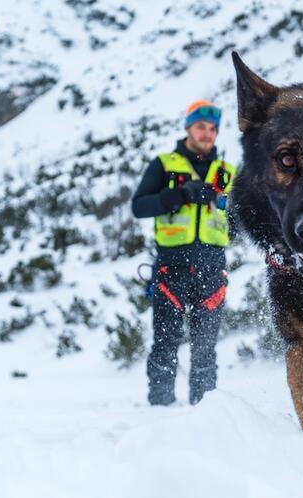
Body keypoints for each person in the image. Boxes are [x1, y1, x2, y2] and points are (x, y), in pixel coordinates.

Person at [131, 100, 237, 406]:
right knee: (165, 345)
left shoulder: (228, 173)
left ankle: (204, 414)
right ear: (188, 127)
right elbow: (139, 206)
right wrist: (180, 194)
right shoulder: (164, 165)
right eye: (201, 127)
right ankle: (160, 411)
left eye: (213, 129)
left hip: (213, 271)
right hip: (170, 270)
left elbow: (242, 218)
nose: (207, 134)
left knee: (205, 350)